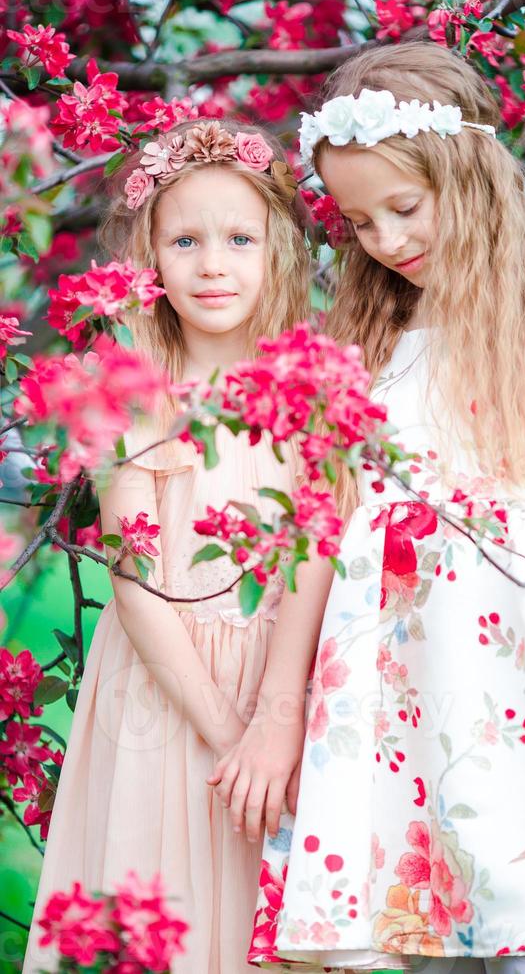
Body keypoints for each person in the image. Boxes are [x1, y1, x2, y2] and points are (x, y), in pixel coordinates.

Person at [209, 43, 525, 974]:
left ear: (471, 175)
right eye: (360, 221)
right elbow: (319, 531)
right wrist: (280, 713)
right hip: (376, 686)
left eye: (404, 208)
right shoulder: (365, 339)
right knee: (405, 939)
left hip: (520, 678)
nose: (384, 239)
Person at [23, 117, 310, 974]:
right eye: (185, 241)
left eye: (239, 239)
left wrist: (272, 725)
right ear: (148, 255)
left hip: (280, 685)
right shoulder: (131, 387)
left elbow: (319, 555)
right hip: (165, 690)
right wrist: (227, 734)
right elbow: (135, 582)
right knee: (165, 906)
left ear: (279, 249)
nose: (213, 264)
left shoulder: (312, 381)